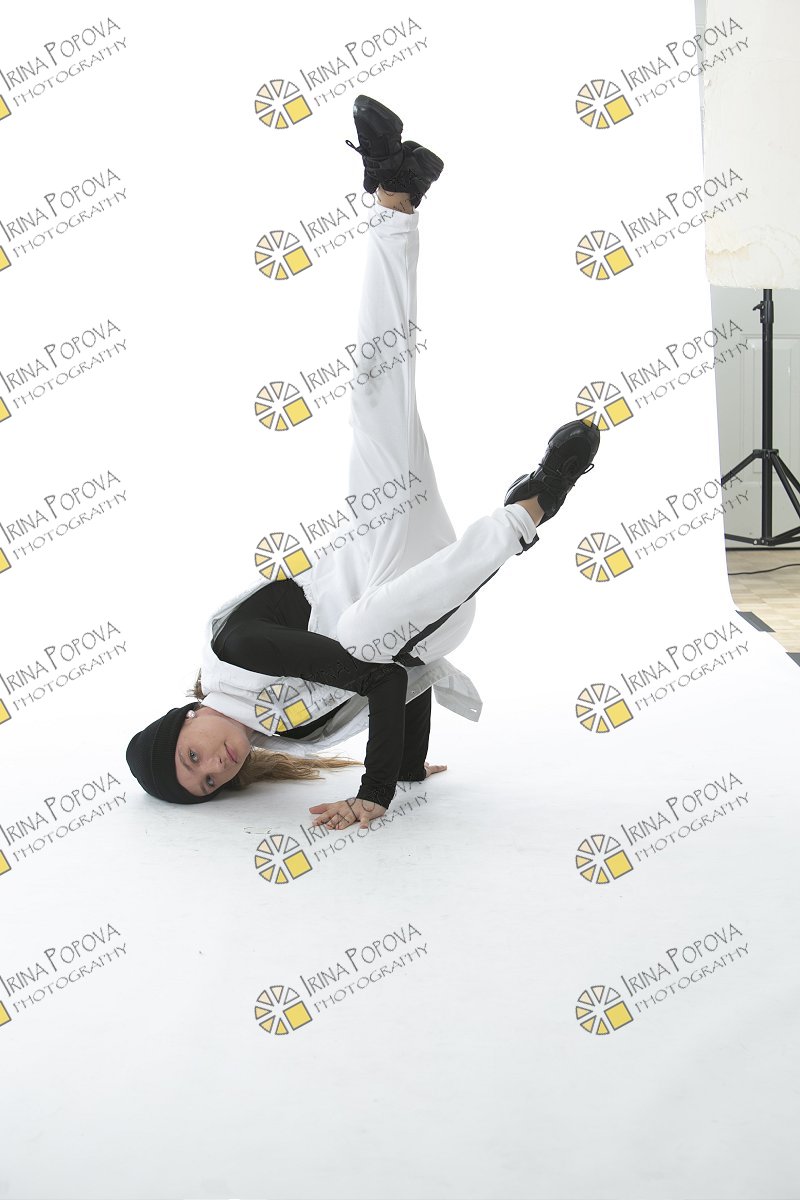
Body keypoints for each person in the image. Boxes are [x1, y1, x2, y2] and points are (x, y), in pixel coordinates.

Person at [126, 95, 600, 833]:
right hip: (422, 609)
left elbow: (380, 682)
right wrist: (407, 766)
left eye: (193, 757)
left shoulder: (236, 652)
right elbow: (397, 678)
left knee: (375, 390)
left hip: (380, 545)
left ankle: (394, 195)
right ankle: (534, 503)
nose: (215, 764)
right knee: (370, 631)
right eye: (210, 782)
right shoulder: (281, 728)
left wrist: (376, 793)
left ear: (183, 717)